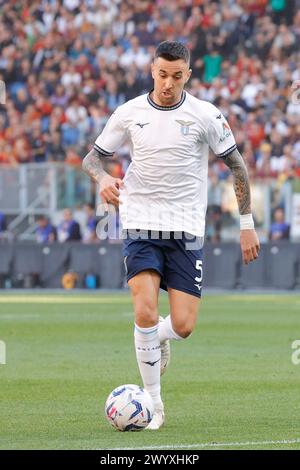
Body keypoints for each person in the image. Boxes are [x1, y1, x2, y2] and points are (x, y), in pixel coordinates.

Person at [82, 41, 260, 430]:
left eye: (176, 76)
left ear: (188, 75)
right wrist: (102, 178)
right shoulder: (129, 112)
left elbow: (238, 165)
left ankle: (158, 337)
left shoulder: (205, 114)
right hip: (140, 224)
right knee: (143, 311)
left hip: (186, 231)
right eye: (162, 74)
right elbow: (92, 157)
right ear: (151, 70)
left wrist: (246, 225)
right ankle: (155, 406)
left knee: (183, 326)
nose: (168, 83)